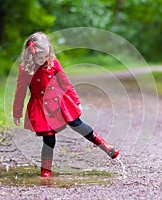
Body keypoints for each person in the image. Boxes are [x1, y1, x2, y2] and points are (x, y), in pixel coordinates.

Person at [13, 32, 119, 178]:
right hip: (41, 106)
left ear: (49, 51)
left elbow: (65, 82)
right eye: (38, 58)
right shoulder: (25, 69)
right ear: (30, 55)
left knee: (78, 124)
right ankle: (46, 170)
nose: (42, 60)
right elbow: (20, 91)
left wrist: (76, 101)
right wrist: (16, 113)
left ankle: (105, 146)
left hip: (59, 101)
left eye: (45, 56)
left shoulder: (53, 62)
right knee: (49, 138)